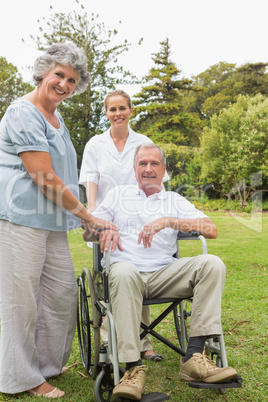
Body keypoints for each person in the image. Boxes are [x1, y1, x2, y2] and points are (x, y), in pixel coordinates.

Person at [0, 42, 117, 399]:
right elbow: (45, 177)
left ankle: (46, 366)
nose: (65, 84)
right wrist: (88, 215)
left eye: (72, 79)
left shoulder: (56, 115)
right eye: (59, 75)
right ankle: (20, 377)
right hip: (20, 219)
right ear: (43, 72)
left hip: (51, 221)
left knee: (61, 293)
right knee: (21, 300)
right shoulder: (24, 111)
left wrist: (79, 217)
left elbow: (65, 174)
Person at [84, 143, 238, 400]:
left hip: (164, 275)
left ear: (164, 170)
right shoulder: (117, 195)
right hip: (125, 274)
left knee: (212, 263)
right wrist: (101, 227)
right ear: (134, 169)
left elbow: (211, 229)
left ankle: (194, 357)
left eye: (154, 164)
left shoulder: (173, 200)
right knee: (123, 273)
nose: (148, 169)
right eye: (142, 163)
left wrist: (168, 221)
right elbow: (87, 229)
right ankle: (132, 368)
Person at [79, 89, 169, 361]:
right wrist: (93, 212)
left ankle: (145, 342)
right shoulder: (96, 144)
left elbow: (155, 178)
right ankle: (110, 339)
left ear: (131, 111)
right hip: (108, 217)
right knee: (113, 276)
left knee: (141, 268)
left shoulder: (142, 141)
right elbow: (91, 178)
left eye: (122, 108)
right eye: (112, 109)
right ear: (106, 113)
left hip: (137, 217)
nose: (117, 113)